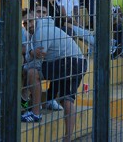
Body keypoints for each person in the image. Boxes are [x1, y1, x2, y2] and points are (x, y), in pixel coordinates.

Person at [23, 12, 87, 142]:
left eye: (30, 21)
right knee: (67, 100)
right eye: (25, 23)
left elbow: (38, 56)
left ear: (37, 19)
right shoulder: (48, 29)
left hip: (67, 62)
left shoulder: (41, 32)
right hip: (79, 62)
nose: (28, 25)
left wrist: (29, 54)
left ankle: (35, 113)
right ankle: (67, 139)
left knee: (32, 73)